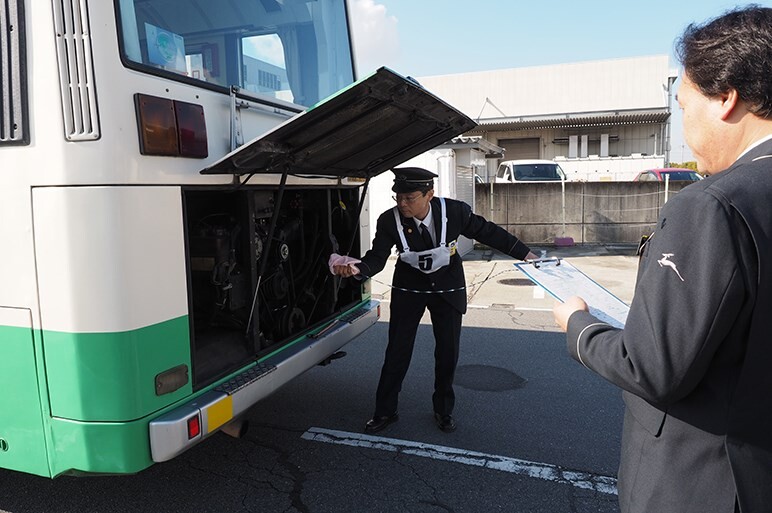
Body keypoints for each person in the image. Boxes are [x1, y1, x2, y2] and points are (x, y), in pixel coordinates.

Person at [553, 6, 772, 513]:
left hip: (703, 482)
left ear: (726, 98)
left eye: (684, 104)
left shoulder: (711, 205)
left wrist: (578, 325)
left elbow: (651, 367)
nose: (684, 125)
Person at [333, 167, 536, 433]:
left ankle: (443, 410)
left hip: (448, 290)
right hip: (409, 290)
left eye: (409, 198)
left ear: (429, 194)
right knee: (397, 352)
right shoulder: (389, 220)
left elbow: (487, 232)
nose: (402, 203)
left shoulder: (455, 212)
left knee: (447, 353)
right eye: (398, 197)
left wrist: (526, 254)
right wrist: (359, 269)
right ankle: (385, 411)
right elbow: (377, 257)